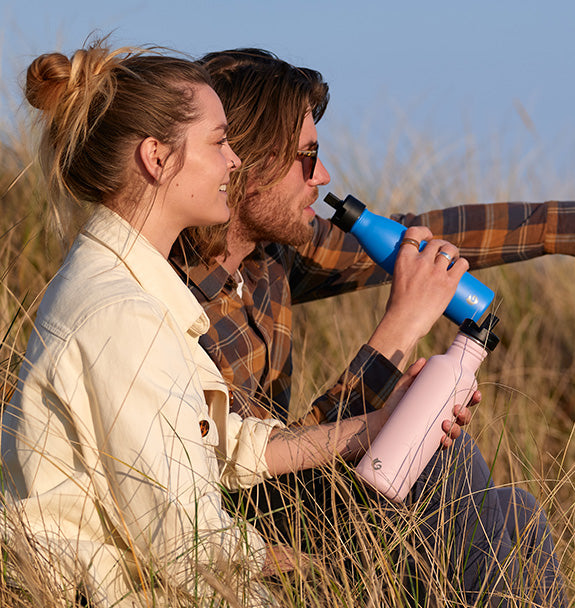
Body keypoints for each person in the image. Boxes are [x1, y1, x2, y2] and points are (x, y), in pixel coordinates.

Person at [169, 48, 575, 606]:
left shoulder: (266, 259)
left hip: (296, 505)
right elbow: (248, 480)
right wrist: (401, 328)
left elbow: (443, 235)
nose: (322, 174)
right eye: (305, 155)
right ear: (238, 158)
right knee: (446, 469)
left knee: (512, 516)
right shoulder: (169, 300)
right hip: (241, 550)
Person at [0, 42, 452, 607]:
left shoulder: (137, 290)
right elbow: (183, 541)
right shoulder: (123, 315)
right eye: (218, 142)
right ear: (157, 158)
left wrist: (374, 424)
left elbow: (226, 445)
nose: (232, 162)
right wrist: (317, 576)